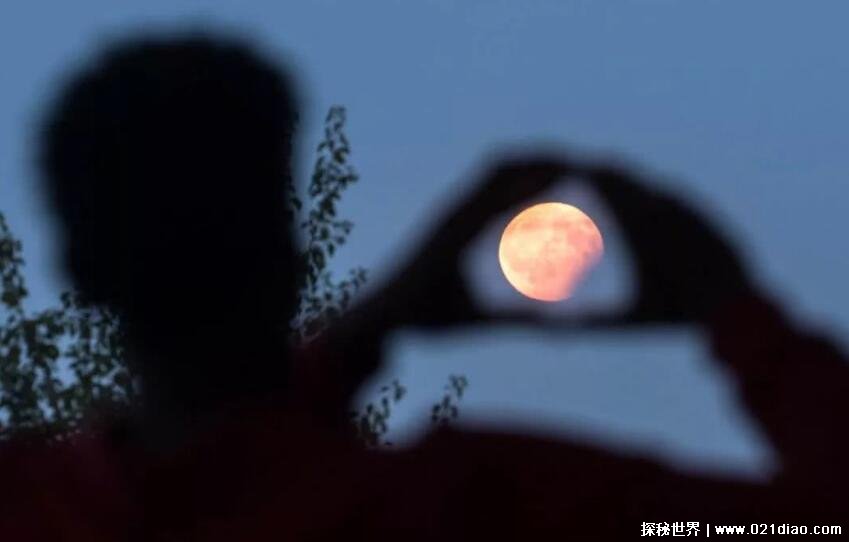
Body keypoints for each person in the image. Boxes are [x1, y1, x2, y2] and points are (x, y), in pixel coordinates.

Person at [1, 33, 846, 540]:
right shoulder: (476, 507)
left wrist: (356, 343)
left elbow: (215, 481)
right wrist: (733, 309)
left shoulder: (30, 505)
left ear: (82, 272)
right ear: (287, 256)